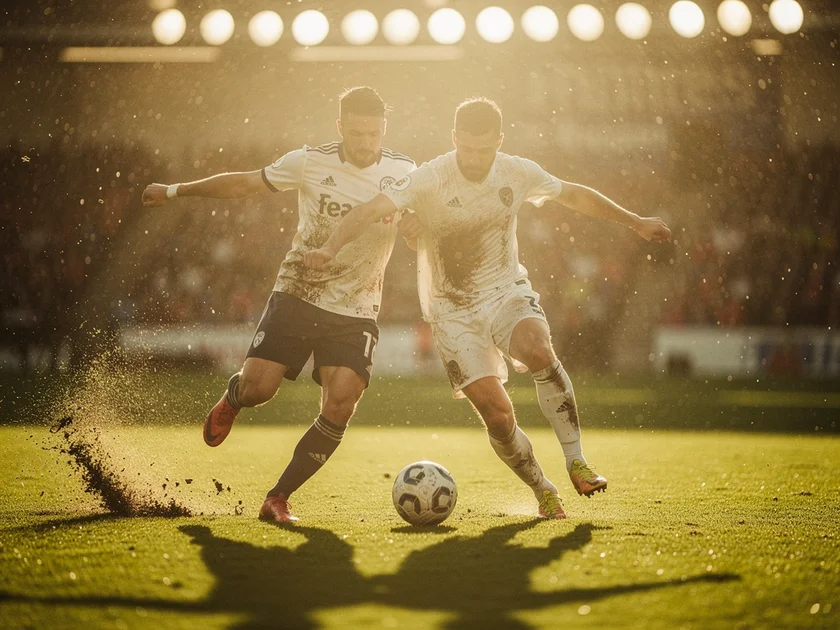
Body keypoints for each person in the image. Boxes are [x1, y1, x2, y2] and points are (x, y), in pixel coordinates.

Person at [305, 97, 671, 519]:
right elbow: (371, 209)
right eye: (468, 149)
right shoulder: (430, 178)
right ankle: (543, 489)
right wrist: (331, 245)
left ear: (500, 140)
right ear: (454, 139)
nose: (477, 159)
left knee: (537, 349)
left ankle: (576, 460)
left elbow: (572, 195)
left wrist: (635, 222)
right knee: (498, 417)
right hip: (451, 311)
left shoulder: (516, 171)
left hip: (504, 291)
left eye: (486, 150)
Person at [142, 87, 420, 524]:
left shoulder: (405, 170)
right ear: (341, 127)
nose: (367, 143)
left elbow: (416, 217)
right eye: (359, 133)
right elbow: (244, 184)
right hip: (300, 290)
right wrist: (177, 190)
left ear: (384, 128)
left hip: (358, 304)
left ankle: (278, 497)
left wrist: (416, 228)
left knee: (341, 403)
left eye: (375, 133)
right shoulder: (310, 160)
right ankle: (234, 397)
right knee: (259, 391)